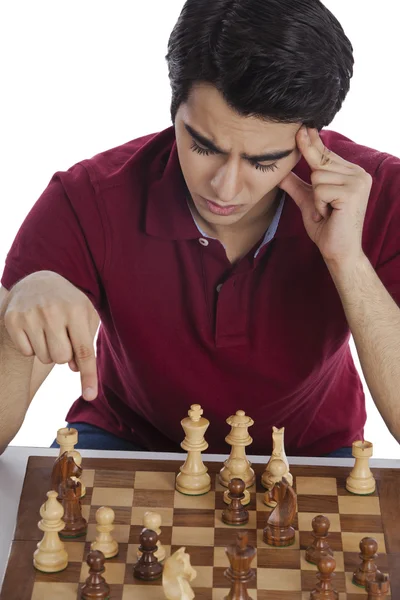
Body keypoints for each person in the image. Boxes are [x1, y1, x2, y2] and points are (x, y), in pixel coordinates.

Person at [0, 0, 399, 458]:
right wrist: (17, 318)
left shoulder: (379, 193)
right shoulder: (88, 197)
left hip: (311, 450)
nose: (225, 188)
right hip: (127, 439)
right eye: (204, 146)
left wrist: (347, 260)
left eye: (263, 161)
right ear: (175, 110)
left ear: (314, 138)